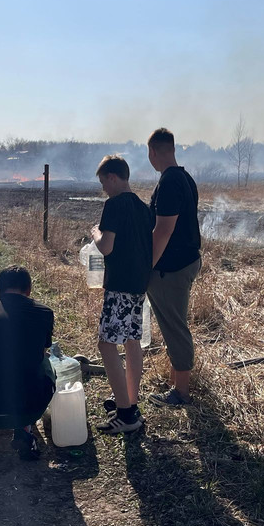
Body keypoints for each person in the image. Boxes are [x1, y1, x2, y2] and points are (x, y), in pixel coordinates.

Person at [90, 156, 154, 434]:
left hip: (119, 285)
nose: (103, 187)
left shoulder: (113, 205)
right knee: (131, 341)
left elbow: (106, 247)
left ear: (113, 177)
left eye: (104, 181)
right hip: (140, 283)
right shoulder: (143, 208)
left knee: (106, 344)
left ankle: (126, 414)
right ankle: (130, 403)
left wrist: (95, 233)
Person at [0, 266, 55, 461]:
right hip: (29, 405)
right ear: (29, 290)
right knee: (46, 363)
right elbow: (40, 352)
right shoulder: (44, 312)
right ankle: (25, 428)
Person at [145, 128, 201, 407]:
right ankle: (176, 381)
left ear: (153, 151)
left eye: (149, 154)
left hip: (171, 269)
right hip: (185, 262)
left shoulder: (168, 182)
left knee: (174, 327)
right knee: (174, 323)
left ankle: (181, 393)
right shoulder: (184, 178)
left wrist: (147, 266)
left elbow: (163, 230)